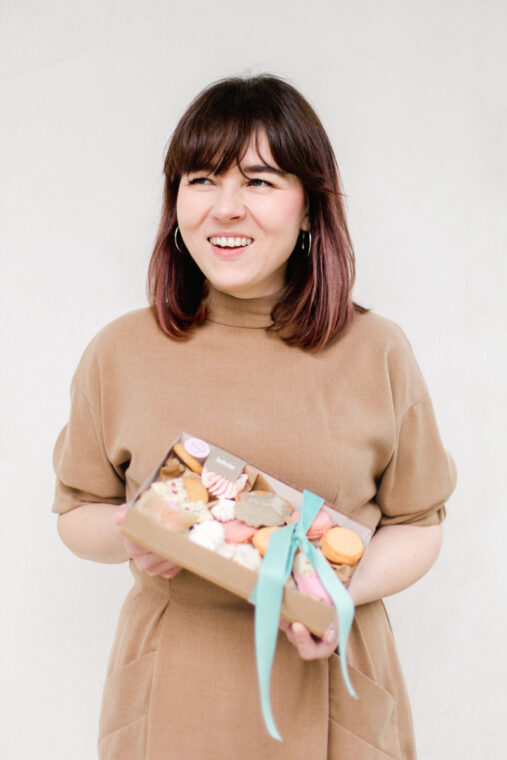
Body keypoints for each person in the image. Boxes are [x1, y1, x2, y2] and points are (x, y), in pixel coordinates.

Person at [53, 75, 456, 759]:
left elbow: (419, 522)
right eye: (202, 180)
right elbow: (75, 513)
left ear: (310, 208)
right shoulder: (119, 352)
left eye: (260, 182)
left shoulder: (376, 350)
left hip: (328, 682)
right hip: (173, 690)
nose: (226, 208)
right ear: (175, 202)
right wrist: (130, 530)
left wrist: (332, 593)